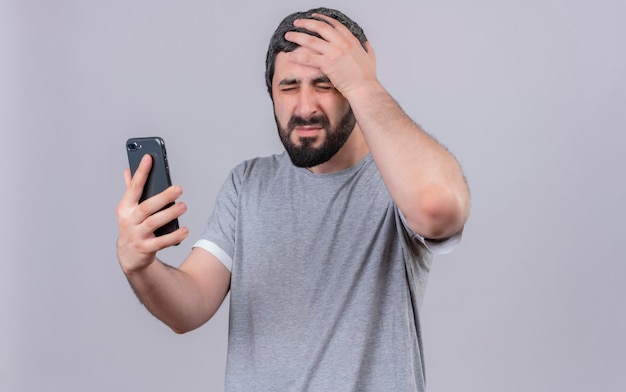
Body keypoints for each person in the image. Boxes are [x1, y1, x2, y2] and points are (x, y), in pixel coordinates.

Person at [116, 7, 470, 392]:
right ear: (270, 92)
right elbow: (189, 307)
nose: (305, 108)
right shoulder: (247, 184)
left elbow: (439, 208)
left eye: (325, 84)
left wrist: (366, 86)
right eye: (288, 87)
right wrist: (141, 265)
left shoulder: (397, 180)